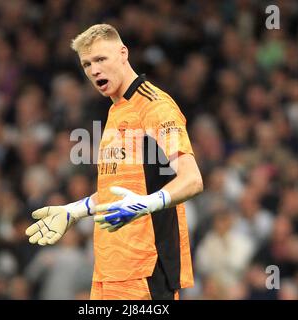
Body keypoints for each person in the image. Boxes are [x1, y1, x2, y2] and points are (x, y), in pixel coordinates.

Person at [25, 24, 203, 300]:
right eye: (86, 64)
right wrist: (75, 211)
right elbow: (122, 189)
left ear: (123, 53)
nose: (93, 70)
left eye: (100, 59)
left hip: (145, 272)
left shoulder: (155, 107)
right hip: (109, 272)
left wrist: (147, 204)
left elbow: (192, 180)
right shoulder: (115, 110)